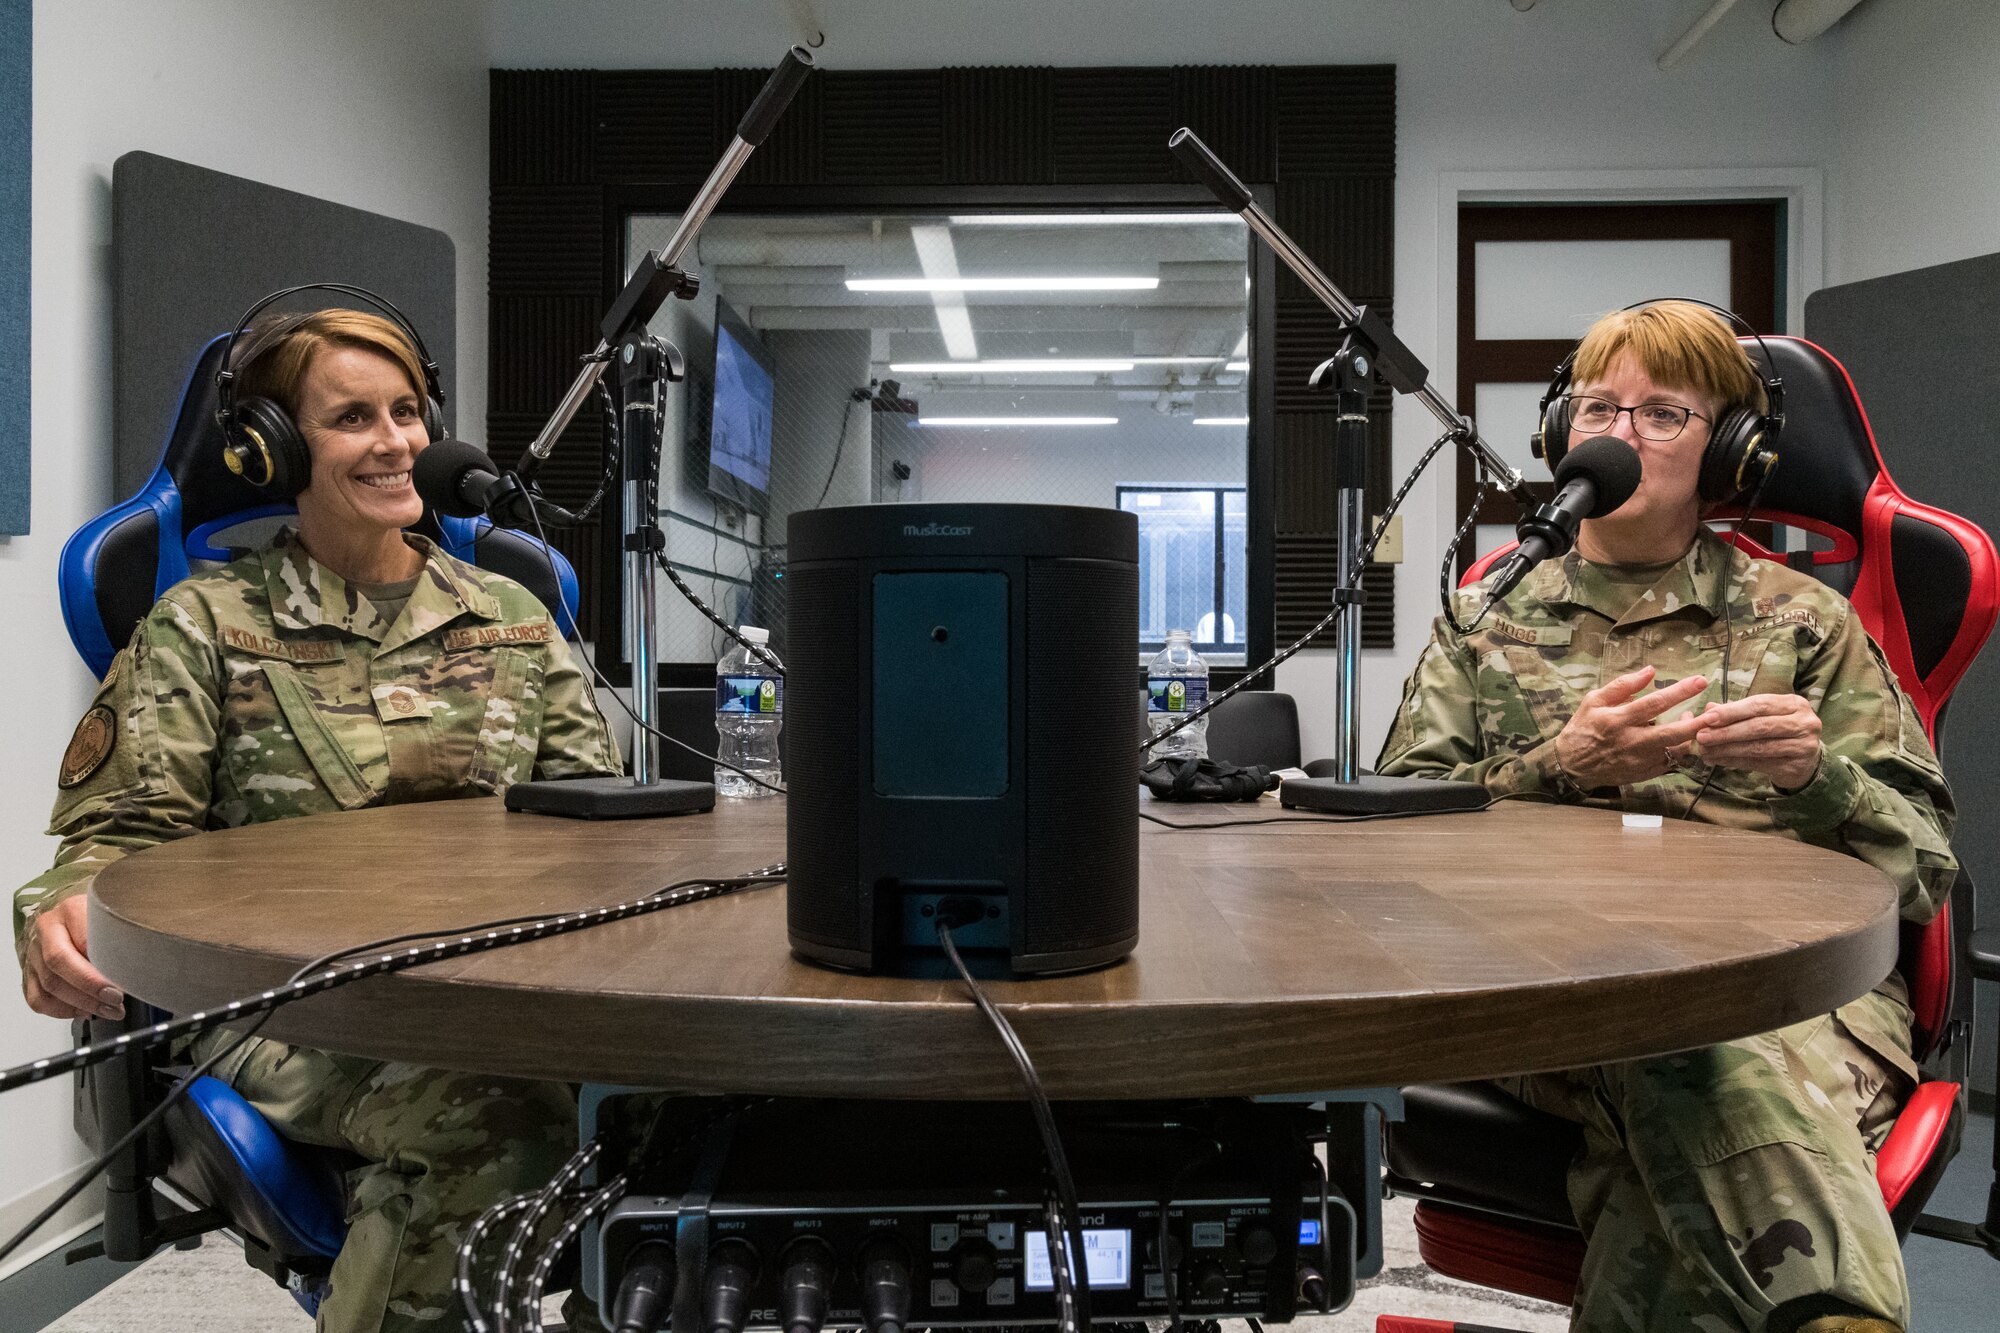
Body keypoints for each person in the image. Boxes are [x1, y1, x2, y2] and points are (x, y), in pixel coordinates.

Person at [13, 309, 623, 1333]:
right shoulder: (207, 623)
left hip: (498, 981)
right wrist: (61, 911)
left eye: (407, 413)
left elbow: (604, 828)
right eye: (351, 417)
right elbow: (114, 839)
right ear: (275, 448)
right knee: (490, 1119)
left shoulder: (514, 616)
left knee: (708, 1104)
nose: (395, 441)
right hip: (288, 1004)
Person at [1376, 301, 1957, 1333]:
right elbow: (1395, 839)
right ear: (1562, 435)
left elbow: (1919, 869)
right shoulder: (1485, 619)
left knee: (1680, 1079)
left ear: (1731, 450)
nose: (1620, 433)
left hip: (1796, 988)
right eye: (1599, 408)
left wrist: (1812, 776)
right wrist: (1559, 762)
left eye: (1662, 414)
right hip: (1549, 989)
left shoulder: (1803, 623)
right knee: (1665, 1026)